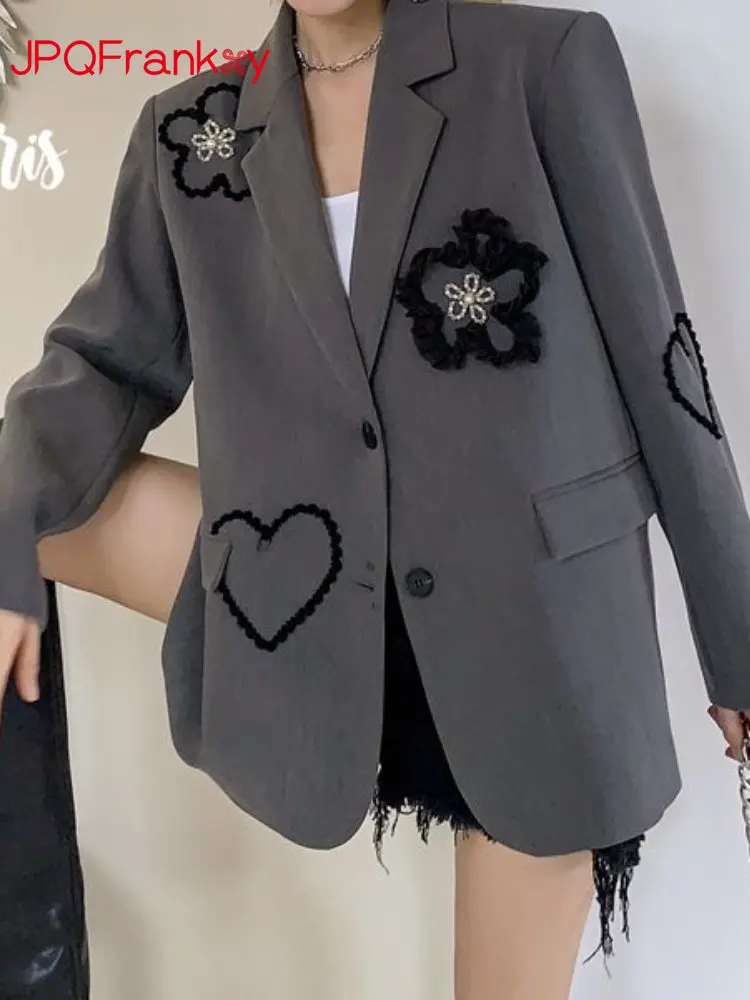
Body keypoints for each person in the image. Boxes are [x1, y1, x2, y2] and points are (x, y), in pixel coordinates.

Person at [1, 0, 749, 996]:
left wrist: (738, 642)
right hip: (316, 594)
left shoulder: (541, 61)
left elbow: (663, 362)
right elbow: (100, 367)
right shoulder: (191, 130)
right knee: (25, 503)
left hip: (534, 631)